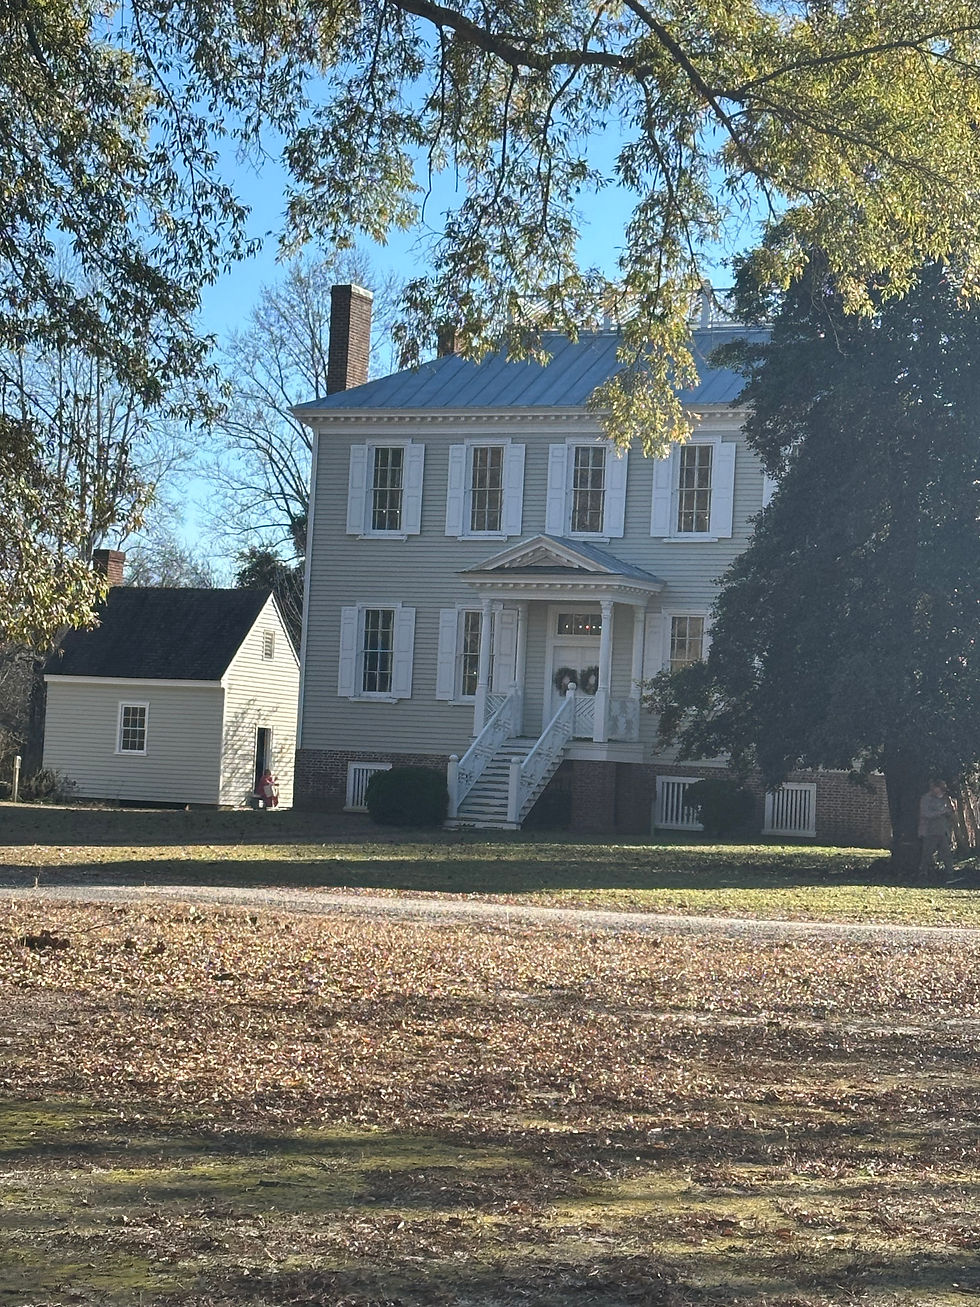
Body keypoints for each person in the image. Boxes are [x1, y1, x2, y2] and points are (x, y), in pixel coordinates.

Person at [918, 779, 955, 880]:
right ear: (934, 787)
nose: (941, 791)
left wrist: (949, 811)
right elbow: (925, 814)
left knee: (946, 853)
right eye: (939, 788)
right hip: (930, 831)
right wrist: (940, 812)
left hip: (942, 831)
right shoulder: (926, 799)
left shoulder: (944, 799)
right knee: (927, 853)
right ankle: (923, 873)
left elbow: (950, 813)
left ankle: (950, 873)